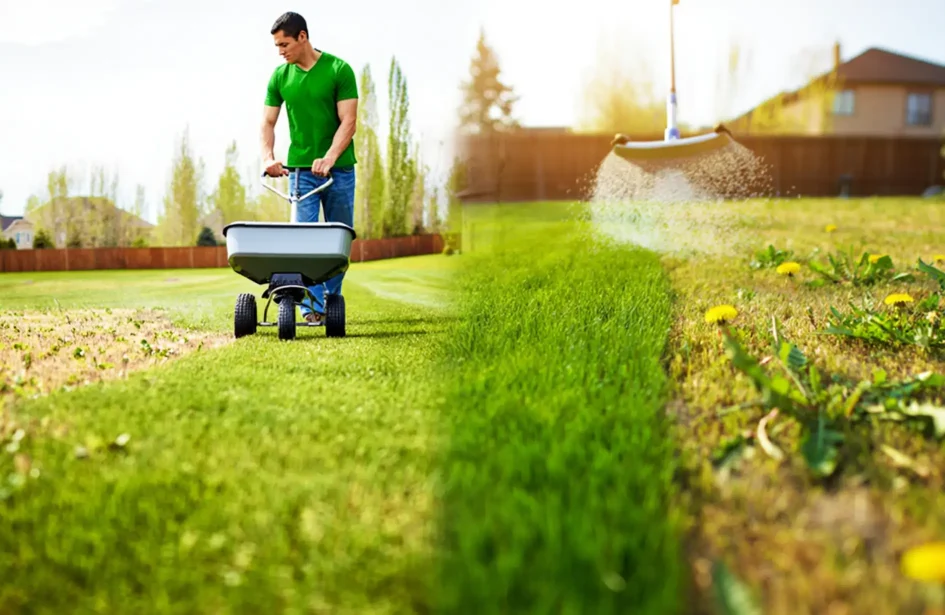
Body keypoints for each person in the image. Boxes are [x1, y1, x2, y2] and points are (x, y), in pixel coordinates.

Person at [260, 11, 358, 325]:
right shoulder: (279, 76)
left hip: (339, 171)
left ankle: (332, 302)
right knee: (303, 240)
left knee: (337, 242)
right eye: (277, 45)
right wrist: (267, 157)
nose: (280, 51)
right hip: (300, 172)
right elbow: (267, 122)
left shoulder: (339, 70)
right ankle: (311, 309)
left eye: (284, 43)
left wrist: (329, 157)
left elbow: (349, 121)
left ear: (303, 36)